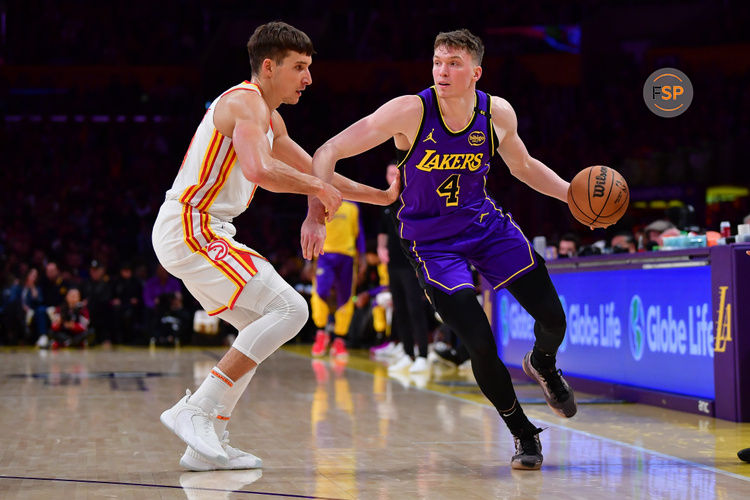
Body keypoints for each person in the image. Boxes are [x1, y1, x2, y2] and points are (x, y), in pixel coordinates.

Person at [303, 29, 581, 470]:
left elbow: (523, 166)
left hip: (486, 227)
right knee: (480, 342)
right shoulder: (410, 111)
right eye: (437, 61)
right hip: (432, 244)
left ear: (476, 72)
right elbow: (328, 150)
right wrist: (315, 213)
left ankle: (543, 363)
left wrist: (569, 194)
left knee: (553, 317)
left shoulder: (496, 112)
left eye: (453, 63)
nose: (442, 70)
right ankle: (523, 433)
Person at [154, 22, 398, 472]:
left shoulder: (271, 117)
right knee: (292, 310)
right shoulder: (245, 103)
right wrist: (316, 192)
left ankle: (209, 441)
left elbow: (315, 171)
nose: (308, 78)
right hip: (192, 225)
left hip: (206, 228)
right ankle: (194, 409)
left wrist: (380, 196)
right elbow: (260, 170)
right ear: (269, 67)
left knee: (257, 332)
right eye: (299, 67)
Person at [378, 162, 431, 374]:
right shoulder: (385, 201)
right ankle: (408, 353)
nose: (393, 176)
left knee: (415, 309)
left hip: (411, 263)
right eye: (389, 173)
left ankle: (423, 355)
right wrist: (381, 248)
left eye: (395, 173)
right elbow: (382, 231)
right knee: (399, 308)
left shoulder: (412, 198)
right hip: (393, 265)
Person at [310, 200, 365, 361]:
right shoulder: (320, 200)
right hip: (324, 254)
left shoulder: (354, 206)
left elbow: (358, 232)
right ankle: (321, 333)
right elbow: (311, 227)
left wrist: (362, 256)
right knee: (320, 291)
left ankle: (340, 340)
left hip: (347, 256)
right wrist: (307, 261)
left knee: (346, 296)